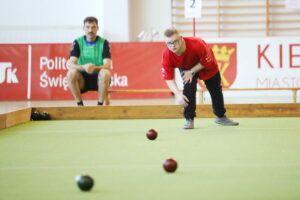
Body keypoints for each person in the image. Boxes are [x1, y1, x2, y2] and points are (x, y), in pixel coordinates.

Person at [161, 28, 239, 129]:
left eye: (175, 41)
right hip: (185, 66)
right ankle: (189, 119)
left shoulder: (197, 43)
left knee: (215, 89)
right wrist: (178, 94)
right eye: (169, 43)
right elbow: (168, 77)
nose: (173, 46)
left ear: (181, 38)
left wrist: (192, 71)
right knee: (188, 89)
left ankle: (220, 116)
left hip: (205, 65)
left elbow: (207, 61)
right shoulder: (167, 54)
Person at [67, 16, 112, 106]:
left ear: (97, 28)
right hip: (82, 80)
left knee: (105, 73)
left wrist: (94, 67)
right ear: (83, 28)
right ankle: (80, 105)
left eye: (93, 27)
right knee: (71, 73)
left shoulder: (104, 43)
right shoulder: (77, 42)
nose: (90, 30)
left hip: (99, 78)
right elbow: (71, 64)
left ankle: (100, 105)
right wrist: (83, 67)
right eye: (87, 27)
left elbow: (108, 65)